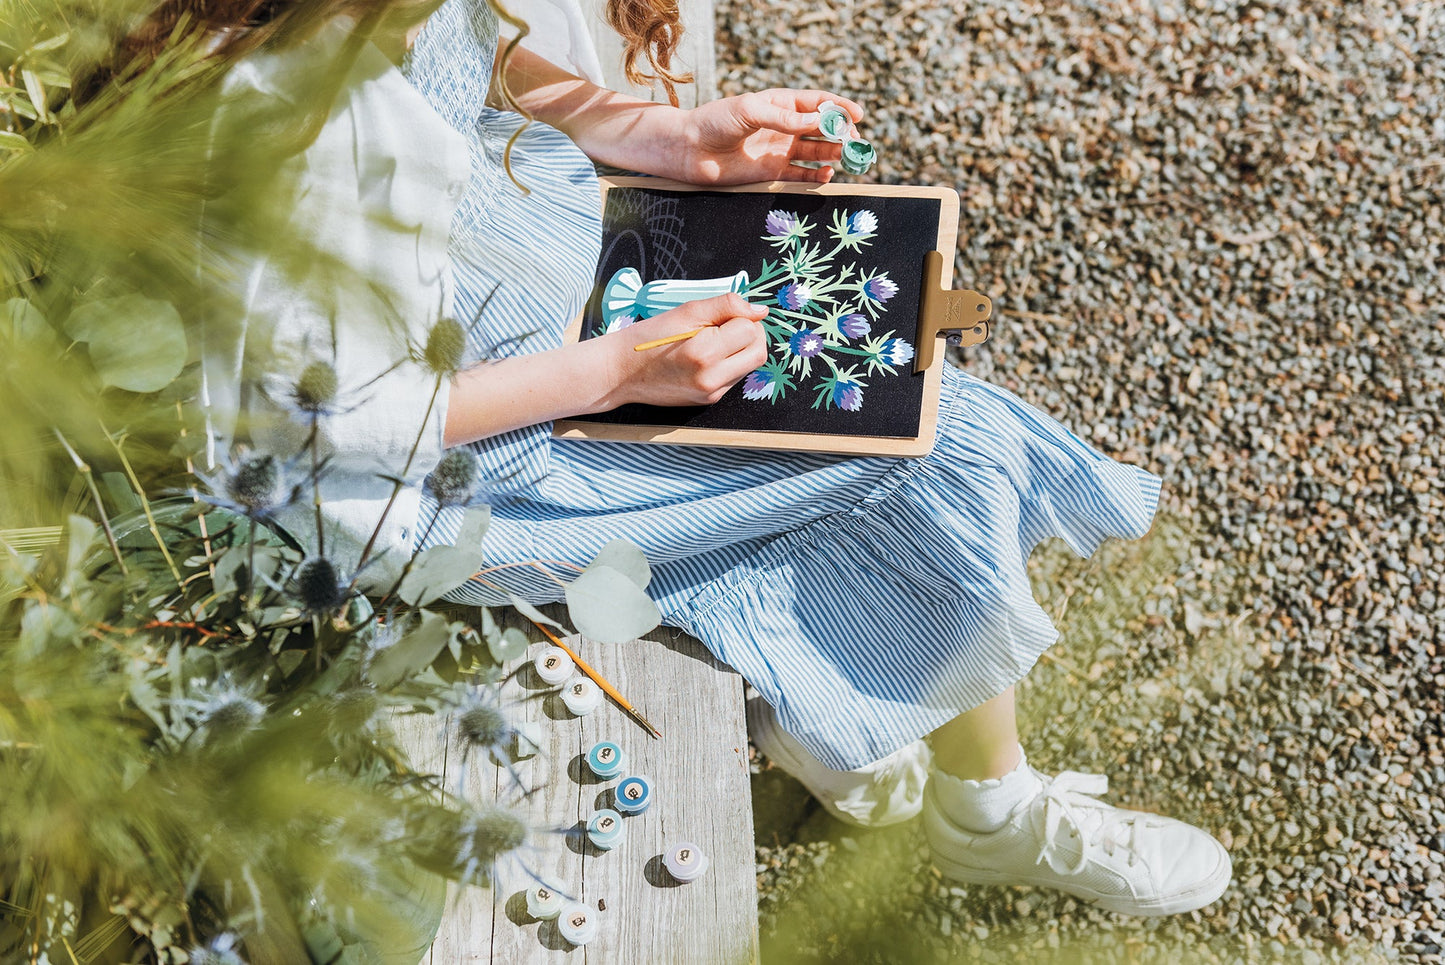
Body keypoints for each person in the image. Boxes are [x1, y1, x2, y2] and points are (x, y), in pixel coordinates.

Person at [188, 0, 1231, 917]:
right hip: (459, 453)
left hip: (530, 270)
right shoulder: (298, 122)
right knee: (934, 440)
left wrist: (671, 141)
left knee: (885, 366)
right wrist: (612, 374)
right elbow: (324, 424)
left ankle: (856, 708)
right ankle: (982, 808)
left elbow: (478, 57)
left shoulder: (352, 26)